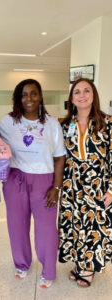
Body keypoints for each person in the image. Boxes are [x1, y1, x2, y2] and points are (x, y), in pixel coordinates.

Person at [0, 79, 66, 288]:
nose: (29, 98)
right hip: (15, 178)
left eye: (33, 93)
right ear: (18, 98)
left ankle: (48, 269)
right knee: (17, 225)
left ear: (40, 96)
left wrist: (56, 187)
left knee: (46, 229)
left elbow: (60, 157)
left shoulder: (52, 124)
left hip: (44, 180)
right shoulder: (7, 122)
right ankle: (22, 263)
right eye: (24, 94)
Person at [58, 78, 112, 287]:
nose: (82, 95)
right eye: (77, 92)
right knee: (75, 226)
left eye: (86, 91)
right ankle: (81, 263)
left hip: (98, 187)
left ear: (93, 95)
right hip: (72, 188)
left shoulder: (107, 123)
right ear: (71, 98)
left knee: (93, 228)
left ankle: (88, 269)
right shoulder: (65, 125)